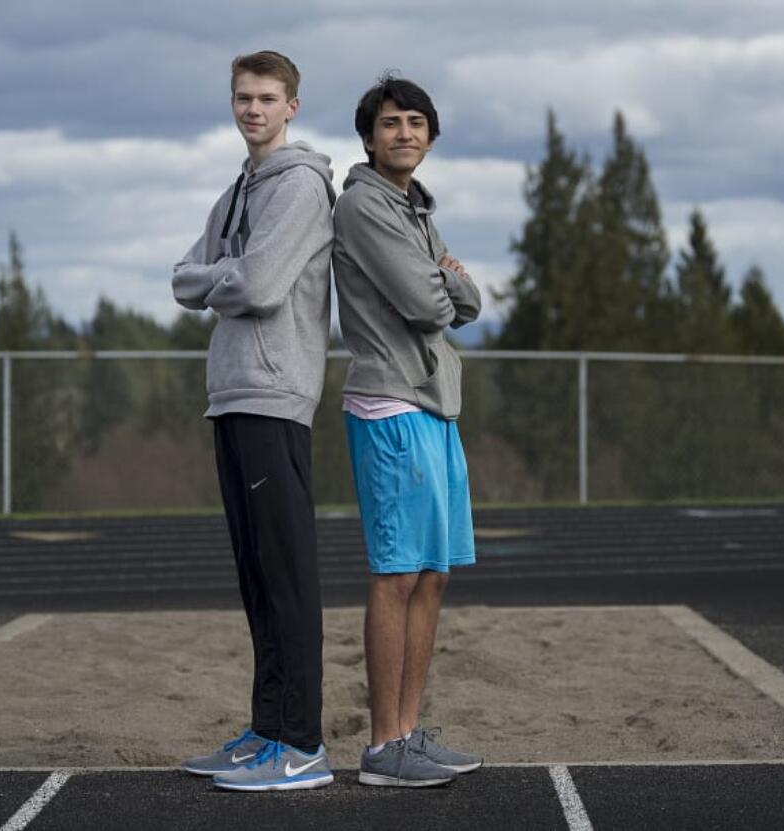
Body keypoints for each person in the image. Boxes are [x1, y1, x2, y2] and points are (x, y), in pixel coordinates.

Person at [172, 50, 335, 792]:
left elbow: (264, 284)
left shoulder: (300, 185)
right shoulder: (238, 190)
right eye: (243, 97)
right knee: (256, 578)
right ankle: (266, 730)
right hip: (229, 392)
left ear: (292, 105)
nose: (253, 109)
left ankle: (301, 743)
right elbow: (181, 278)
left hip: (274, 392)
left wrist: (217, 280)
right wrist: (219, 280)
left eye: (267, 98)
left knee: (289, 577)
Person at [331, 74, 484, 788]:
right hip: (390, 405)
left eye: (417, 122)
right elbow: (432, 302)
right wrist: (446, 281)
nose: (405, 133)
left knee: (434, 572)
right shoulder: (365, 206)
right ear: (369, 137)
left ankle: (409, 734)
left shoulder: (415, 207)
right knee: (397, 574)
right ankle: (381, 746)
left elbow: (471, 300)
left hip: (435, 403)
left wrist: (451, 283)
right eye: (391, 123)